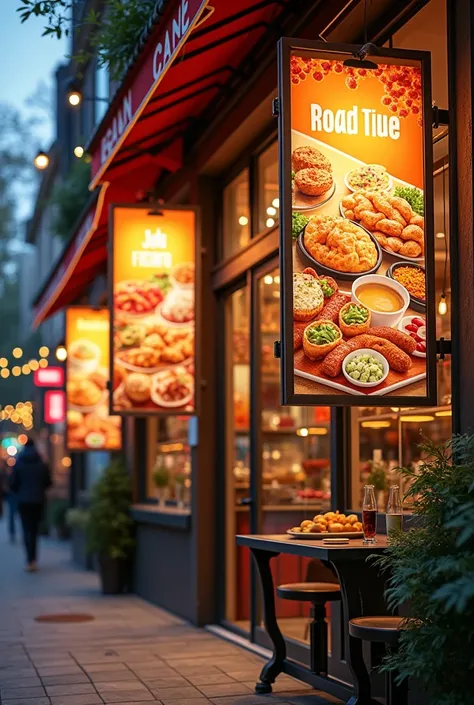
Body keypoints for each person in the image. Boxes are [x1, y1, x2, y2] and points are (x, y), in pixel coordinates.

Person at [10, 439, 51, 572]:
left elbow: (13, 484)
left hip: (23, 501)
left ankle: (29, 560)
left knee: (26, 529)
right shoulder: (41, 463)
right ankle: (33, 559)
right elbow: (48, 482)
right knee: (34, 530)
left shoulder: (19, 463)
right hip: (38, 501)